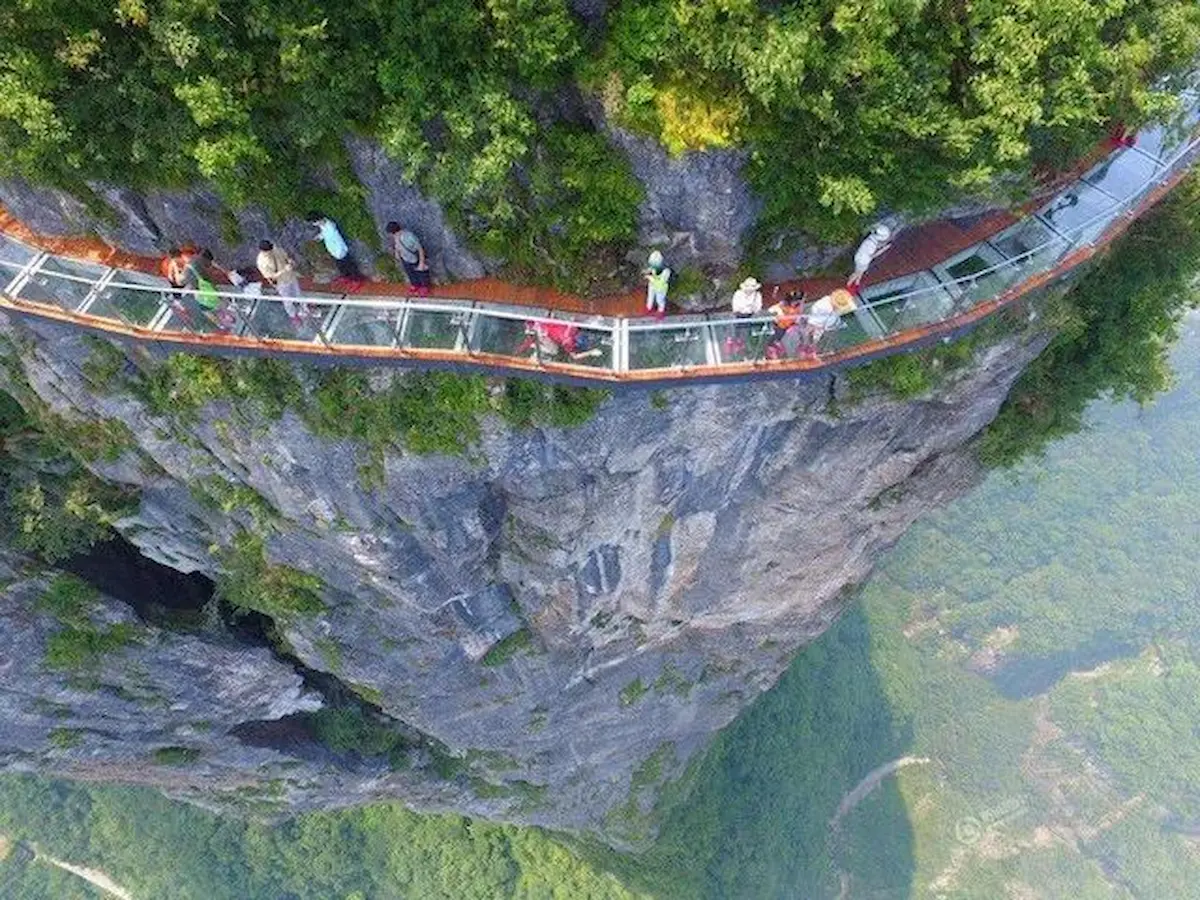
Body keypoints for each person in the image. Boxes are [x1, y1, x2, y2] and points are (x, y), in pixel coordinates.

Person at [256, 239, 308, 325]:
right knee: (287, 300)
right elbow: (270, 276)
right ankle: (293, 316)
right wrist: (284, 270)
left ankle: (305, 310)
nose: (271, 251)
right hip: (281, 282)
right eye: (269, 251)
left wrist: (290, 261)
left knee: (299, 294)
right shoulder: (262, 262)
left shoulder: (277, 250)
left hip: (291, 276)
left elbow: (286, 257)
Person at [306, 212, 363, 286]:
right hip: (334, 250)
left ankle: (357, 280)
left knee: (349, 265)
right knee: (341, 265)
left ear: (318, 220)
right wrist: (320, 236)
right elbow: (324, 233)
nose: (314, 224)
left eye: (314, 222)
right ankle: (346, 276)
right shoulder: (323, 225)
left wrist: (339, 251)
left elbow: (336, 238)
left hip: (339, 249)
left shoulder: (330, 226)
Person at [384, 222, 432, 295]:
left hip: (414, 258)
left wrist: (421, 263)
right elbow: (397, 245)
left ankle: (424, 287)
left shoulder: (409, 236)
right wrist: (397, 253)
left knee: (421, 273)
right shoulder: (396, 237)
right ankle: (415, 284)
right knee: (410, 273)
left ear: (393, 232)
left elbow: (420, 248)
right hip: (405, 259)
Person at [803, 288, 857, 352]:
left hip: (832, 327)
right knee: (812, 341)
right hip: (820, 328)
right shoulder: (821, 307)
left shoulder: (841, 302)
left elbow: (851, 307)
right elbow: (812, 325)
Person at [847, 223, 893, 289]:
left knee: (859, 272)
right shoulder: (872, 244)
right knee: (857, 273)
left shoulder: (871, 238)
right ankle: (849, 285)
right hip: (863, 260)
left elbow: (876, 245)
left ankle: (856, 284)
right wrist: (884, 249)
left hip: (859, 257)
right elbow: (874, 255)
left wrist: (884, 246)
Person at [644, 251, 671, 319]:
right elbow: (651, 270)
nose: (652, 267)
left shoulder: (666, 271)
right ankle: (648, 308)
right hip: (652, 285)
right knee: (650, 297)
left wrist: (650, 278)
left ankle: (660, 311)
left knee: (660, 300)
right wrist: (647, 271)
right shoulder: (654, 267)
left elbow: (661, 283)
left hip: (660, 288)